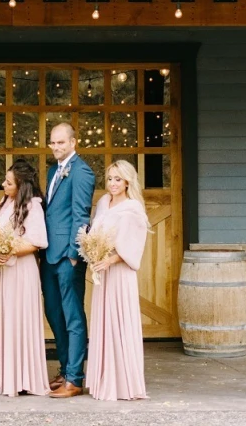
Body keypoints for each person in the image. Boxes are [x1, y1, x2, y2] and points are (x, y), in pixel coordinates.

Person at [85, 160, 149, 401]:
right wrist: (93, 253)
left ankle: (123, 383)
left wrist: (111, 260)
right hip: (102, 272)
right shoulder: (103, 203)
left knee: (120, 321)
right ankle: (104, 378)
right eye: (110, 178)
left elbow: (133, 244)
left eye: (118, 179)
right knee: (103, 322)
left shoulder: (133, 209)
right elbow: (94, 233)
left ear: (127, 182)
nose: (112, 183)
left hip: (120, 274)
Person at [41, 122, 95, 399]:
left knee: (73, 316)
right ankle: (64, 369)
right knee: (54, 314)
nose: (56, 147)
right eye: (53, 142)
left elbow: (81, 216)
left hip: (68, 256)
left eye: (61, 142)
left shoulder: (82, 172)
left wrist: (75, 255)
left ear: (73, 143)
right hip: (49, 254)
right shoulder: (53, 171)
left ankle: (75, 378)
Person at [0, 159, 50, 397]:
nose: (4, 185)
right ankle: (8, 376)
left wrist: (10, 250)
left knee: (21, 320)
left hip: (23, 271)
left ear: (20, 185)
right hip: (5, 271)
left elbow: (37, 242)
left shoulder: (33, 206)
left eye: (8, 182)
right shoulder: (5, 202)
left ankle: (26, 376)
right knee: (7, 319)